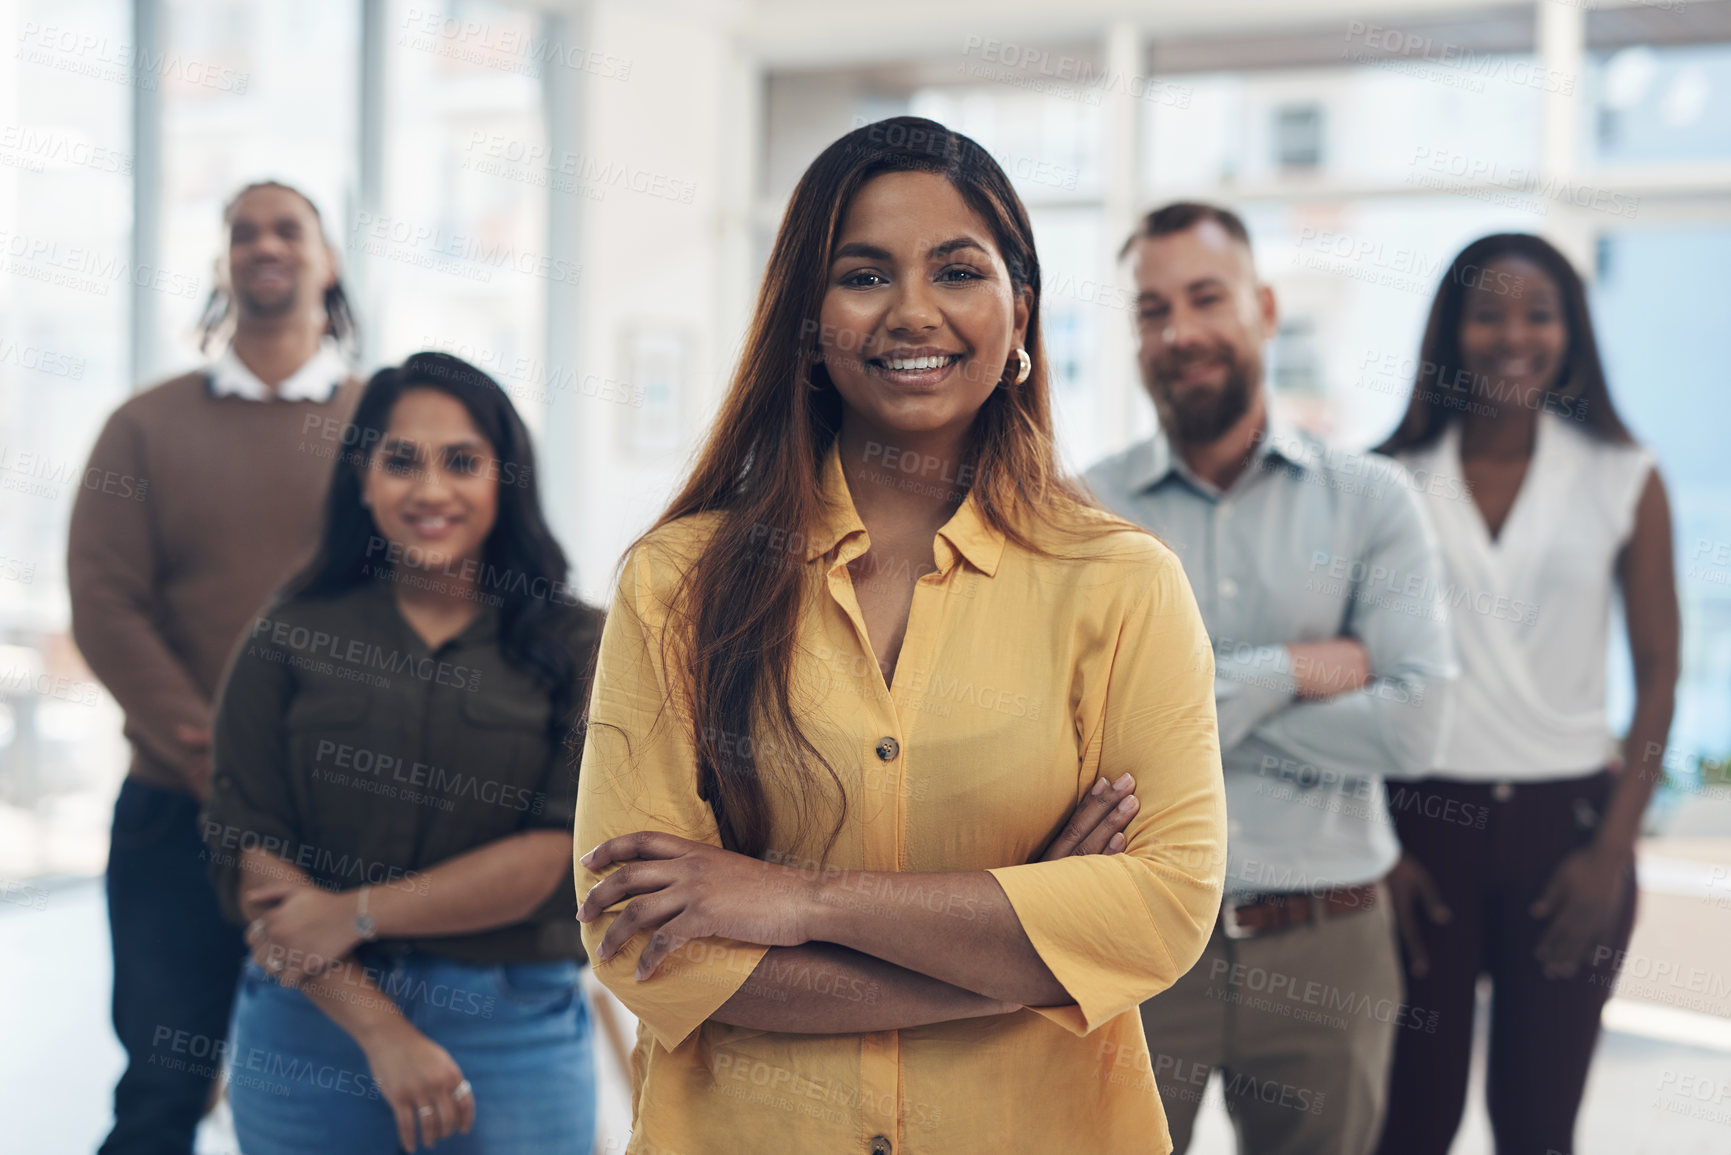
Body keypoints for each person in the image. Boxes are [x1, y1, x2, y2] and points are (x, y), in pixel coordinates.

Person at [571, 116, 1226, 1154]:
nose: (913, 311)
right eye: (864, 275)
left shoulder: (1123, 584)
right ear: (806, 320)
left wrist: (793, 901)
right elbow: (642, 942)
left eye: (959, 271)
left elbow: (1161, 912)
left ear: (1021, 319)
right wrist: (1023, 949)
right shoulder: (677, 585)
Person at [1085, 202, 1456, 1155]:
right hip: (1131, 940)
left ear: (1262, 307)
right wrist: (1293, 670)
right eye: (1152, 309)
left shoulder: (1372, 500)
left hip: (1327, 941)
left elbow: (1412, 725)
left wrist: (1180, 710)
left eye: (1206, 298)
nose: (1181, 331)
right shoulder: (1080, 512)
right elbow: (1075, 732)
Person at [199, 352, 605, 1154]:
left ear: (505, 477)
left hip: (512, 1027)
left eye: (461, 461)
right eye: (400, 461)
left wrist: (355, 912)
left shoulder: (580, 642)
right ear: (362, 477)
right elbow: (247, 850)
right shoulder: (288, 634)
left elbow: (563, 853)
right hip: (311, 1023)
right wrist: (382, 1032)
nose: (429, 491)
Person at [68, 180, 363, 1155]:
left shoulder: (388, 431)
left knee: (339, 1090)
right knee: (162, 1083)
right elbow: (105, 606)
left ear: (328, 261)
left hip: (343, 826)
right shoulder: (143, 428)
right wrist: (214, 759)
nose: (263, 245)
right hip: (174, 814)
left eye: (288, 228)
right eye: (243, 232)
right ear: (222, 263)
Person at [1372, 235, 1679, 1155]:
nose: (1513, 334)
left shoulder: (1623, 475)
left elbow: (1660, 670)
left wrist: (1611, 850)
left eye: (1537, 313)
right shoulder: (1386, 481)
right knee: (1408, 1127)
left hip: (1569, 835)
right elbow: (1348, 672)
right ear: (1451, 331)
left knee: (1538, 1130)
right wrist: (1376, 846)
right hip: (1417, 833)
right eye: (1488, 312)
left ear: (1569, 332)